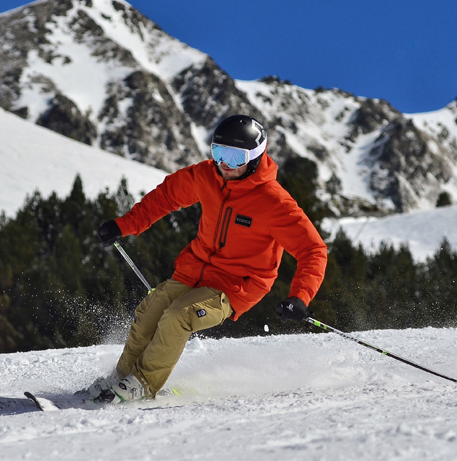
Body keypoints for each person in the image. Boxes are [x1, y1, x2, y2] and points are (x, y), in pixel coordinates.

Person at [91, 114, 328, 403]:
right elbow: (166, 196)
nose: (225, 164)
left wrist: (301, 296)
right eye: (218, 153)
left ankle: (143, 383)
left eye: (234, 156)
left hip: (235, 286)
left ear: (254, 158)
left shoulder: (273, 202)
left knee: (179, 316)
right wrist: (124, 225)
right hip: (193, 271)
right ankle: (121, 377)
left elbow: (313, 250)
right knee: (150, 312)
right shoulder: (206, 176)